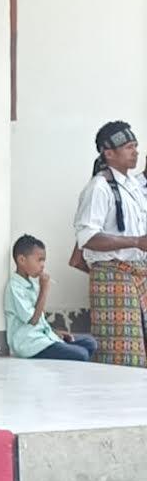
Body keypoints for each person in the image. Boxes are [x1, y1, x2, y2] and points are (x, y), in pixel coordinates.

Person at [73, 121, 147, 367]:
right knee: (123, 353)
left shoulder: (134, 186)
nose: (135, 151)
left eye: (135, 146)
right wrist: (136, 241)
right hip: (112, 275)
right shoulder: (98, 187)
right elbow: (87, 238)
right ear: (109, 153)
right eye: (128, 147)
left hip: (138, 274)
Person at [5, 235, 97, 361]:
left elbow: (41, 320)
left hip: (43, 337)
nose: (42, 265)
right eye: (39, 260)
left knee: (90, 342)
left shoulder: (33, 285)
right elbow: (33, 320)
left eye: (44, 261)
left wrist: (54, 331)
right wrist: (44, 290)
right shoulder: (15, 287)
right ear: (22, 260)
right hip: (29, 344)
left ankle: (59, 347)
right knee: (82, 354)